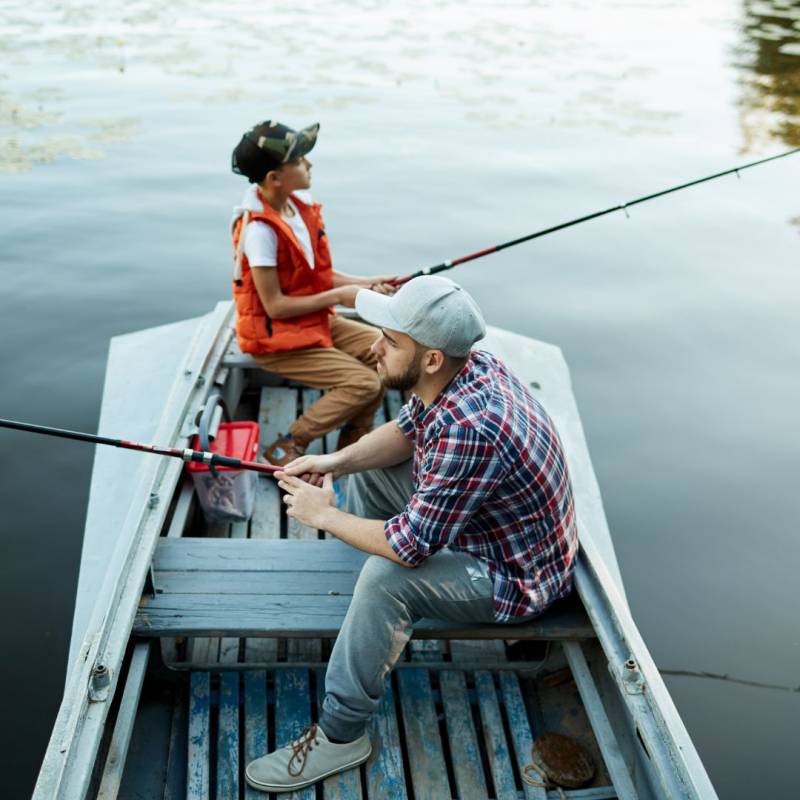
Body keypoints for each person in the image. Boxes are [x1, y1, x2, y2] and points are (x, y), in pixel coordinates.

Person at [244, 275, 580, 794]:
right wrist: (335, 459)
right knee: (373, 471)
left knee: (385, 576)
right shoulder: (466, 366)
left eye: (391, 341)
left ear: (430, 360)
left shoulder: (470, 426)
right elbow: (406, 432)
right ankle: (371, 620)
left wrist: (325, 515)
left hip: (514, 576)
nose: (374, 348)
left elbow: (407, 547)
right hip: (487, 532)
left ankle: (341, 735)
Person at [230, 119, 395, 465]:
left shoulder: (297, 206)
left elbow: (319, 275)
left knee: (387, 355)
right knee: (364, 384)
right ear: (275, 178)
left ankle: (353, 440)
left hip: (311, 320)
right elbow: (274, 307)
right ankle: (288, 445)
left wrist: (366, 282)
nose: (310, 164)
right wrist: (339, 297)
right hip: (274, 338)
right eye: (300, 160)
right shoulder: (259, 231)